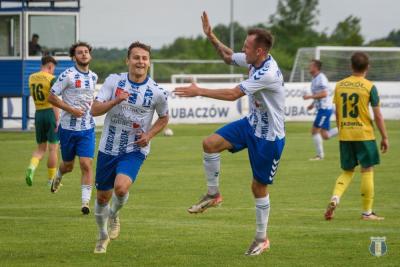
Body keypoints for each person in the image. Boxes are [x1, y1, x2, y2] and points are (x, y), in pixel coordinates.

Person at [174, 11, 285, 256]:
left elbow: (233, 94)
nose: (242, 50)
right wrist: (211, 35)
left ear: (260, 52)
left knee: (258, 188)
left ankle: (261, 238)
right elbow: (226, 56)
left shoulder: (267, 72)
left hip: (269, 137)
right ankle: (213, 194)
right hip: (251, 124)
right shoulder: (254, 59)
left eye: (246, 47)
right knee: (210, 143)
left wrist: (198, 90)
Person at [90, 41, 169, 254]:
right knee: (101, 198)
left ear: (149, 62)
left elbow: (163, 118)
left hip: (135, 148)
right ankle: (102, 235)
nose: (140, 62)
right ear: (127, 60)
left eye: (144, 58)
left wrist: (149, 134)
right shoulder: (113, 82)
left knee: (121, 187)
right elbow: (94, 110)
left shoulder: (157, 92)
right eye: (136, 57)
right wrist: (116, 100)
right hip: (108, 146)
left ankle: (114, 215)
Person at [324, 52, 389, 221]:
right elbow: (378, 116)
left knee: (347, 171)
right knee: (367, 170)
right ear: (368, 67)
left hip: (345, 134)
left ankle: (335, 197)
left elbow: (338, 113)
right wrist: (385, 137)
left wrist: (342, 129)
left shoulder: (339, 85)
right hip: (364, 135)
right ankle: (367, 212)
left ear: (351, 66)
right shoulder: (369, 86)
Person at [48, 42, 98, 215]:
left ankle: (85, 203)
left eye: (86, 52)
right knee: (68, 166)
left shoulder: (94, 77)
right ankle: (58, 177)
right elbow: (51, 97)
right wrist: (71, 110)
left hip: (87, 128)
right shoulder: (67, 75)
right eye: (80, 52)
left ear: (90, 55)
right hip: (68, 128)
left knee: (86, 164)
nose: (84, 54)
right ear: (74, 57)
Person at [25, 56, 59, 187]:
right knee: (53, 149)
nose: (53, 71)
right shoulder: (52, 79)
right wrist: (57, 119)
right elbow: (54, 100)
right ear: (50, 66)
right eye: (53, 69)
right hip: (50, 113)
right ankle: (51, 180)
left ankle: (32, 167)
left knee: (40, 148)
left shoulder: (31, 77)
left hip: (38, 113)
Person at [302, 59, 338, 160]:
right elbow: (319, 94)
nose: (309, 67)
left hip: (324, 109)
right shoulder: (315, 79)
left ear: (316, 67)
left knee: (314, 131)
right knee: (325, 135)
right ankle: (344, 128)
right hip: (323, 108)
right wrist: (312, 104)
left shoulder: (321, 78)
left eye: (311, 66)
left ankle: (319, 156)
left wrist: (309, 97)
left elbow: (324, 93)